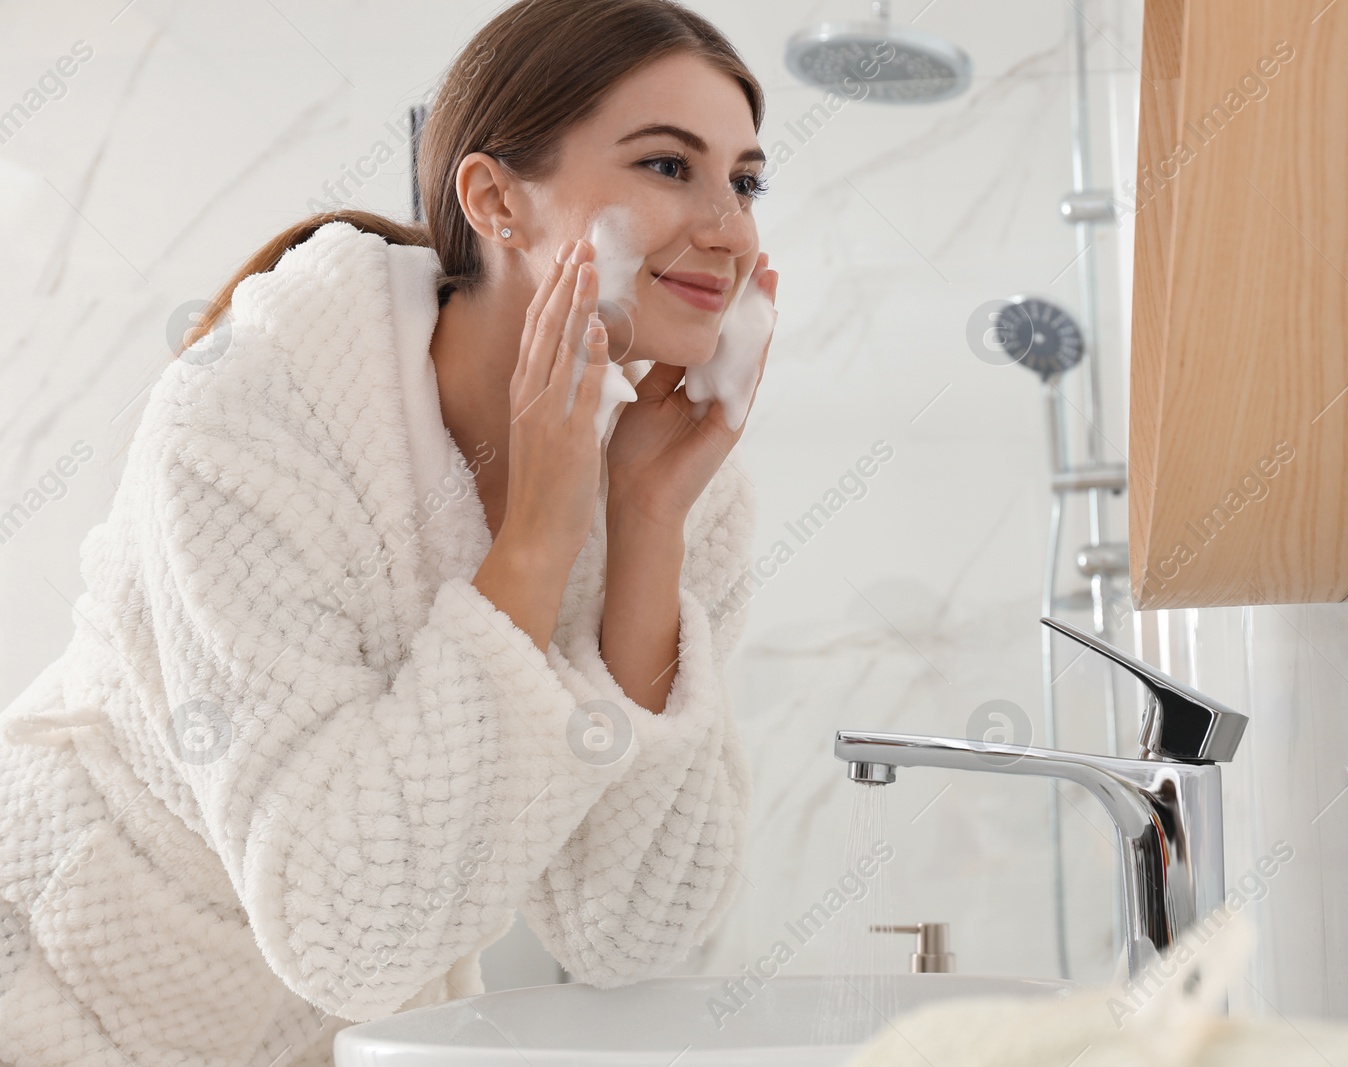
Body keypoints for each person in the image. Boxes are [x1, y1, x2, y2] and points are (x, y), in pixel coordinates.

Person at [0, 0, 776, 1062]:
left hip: (354, 1032)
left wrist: (643, 531)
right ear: (496, 199)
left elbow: (632, 938)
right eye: (666, 166)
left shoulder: (672, 477)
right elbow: (339, 929)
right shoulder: (253, 414)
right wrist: (535, 542)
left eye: (745, 180)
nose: (730, 229)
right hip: (59, 986)